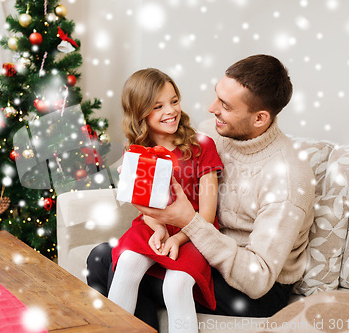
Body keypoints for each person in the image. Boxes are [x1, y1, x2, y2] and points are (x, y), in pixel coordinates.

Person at [87, 55, 315, 330]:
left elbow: (257, 280)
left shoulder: (287, 179)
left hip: (251, 285)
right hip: (202, 246)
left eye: (225, 105)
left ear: (260, 118)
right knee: (107, 257)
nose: (211, 108)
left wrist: (189, 224)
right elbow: (168, 158)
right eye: (217, 97)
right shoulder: (214, 134)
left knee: (107, 262)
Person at [107, 68, 223, 333]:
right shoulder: (137, 152)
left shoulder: (202, 146)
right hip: (153, 224)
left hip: (195, 232)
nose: (170, 111)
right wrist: (159, 229)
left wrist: (178, 238)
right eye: (158, 106)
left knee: (177, 284)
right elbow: (146, 207)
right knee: (126, 263)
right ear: (140, 113)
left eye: (174, 101)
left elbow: (207, 214)